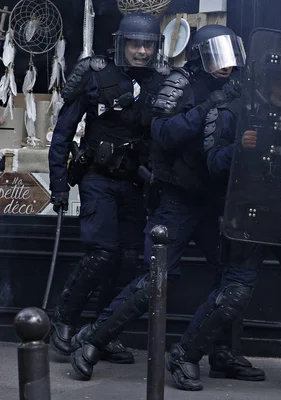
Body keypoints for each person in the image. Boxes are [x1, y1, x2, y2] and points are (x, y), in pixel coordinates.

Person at [67, 24, 264, 384]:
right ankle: (91, 341)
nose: (226, 66)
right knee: (155, 279)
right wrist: (206, 106)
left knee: (230, 278)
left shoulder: (237, 86)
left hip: (217, 199)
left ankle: (218, 352)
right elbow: (163, 134)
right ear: (200, 55)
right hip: (178, 197)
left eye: (231, 57)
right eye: (218, 57)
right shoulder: (180, 83)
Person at [162, 48, 281, 396]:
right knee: (234, 294)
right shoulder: (233, 112)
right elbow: (213, 163)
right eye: (280, 78)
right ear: (264, 78)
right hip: (247, 212)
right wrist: (240, 147)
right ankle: (184, 354)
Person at [47, 12, 168, 362]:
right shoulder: (95, 73)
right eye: (135, 44)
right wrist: (58, 184)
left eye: (148, 45)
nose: (142, 52)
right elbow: (63, 134)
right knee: (102, 254)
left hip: (136, 183)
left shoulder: (162, 81)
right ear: (121, 44)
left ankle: (103, 331)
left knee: (129, 259)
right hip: (98, 178)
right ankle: (65, 322)